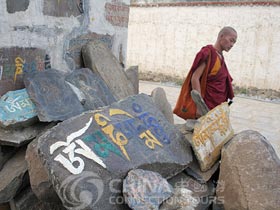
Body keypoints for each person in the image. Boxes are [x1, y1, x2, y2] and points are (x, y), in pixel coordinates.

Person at [173, 26, 237, 119]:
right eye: (231, 40)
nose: (232, 44)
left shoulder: (220, 57)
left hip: (216, 105)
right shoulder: (208, 53)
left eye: (234, 42)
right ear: (221, 36)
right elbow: (195, 78)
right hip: (206, 104)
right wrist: (200, 105)